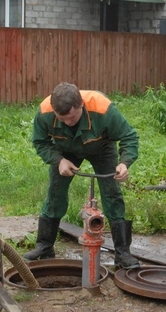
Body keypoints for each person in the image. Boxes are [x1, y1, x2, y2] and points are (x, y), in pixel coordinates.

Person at [24, 82, 140, 269]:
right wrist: (58, 160)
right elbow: (40, 142)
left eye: (72, 117)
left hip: (101, 148)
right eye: (62, 119)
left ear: (81, 106)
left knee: (112, 194)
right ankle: (44, 246)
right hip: (64, 151)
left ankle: (123, 254)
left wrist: (124, 163)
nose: (68, 122)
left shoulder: (103, 108)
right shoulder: (45, 111)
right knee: (55, 194)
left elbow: (129, 136)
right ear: (54, 111)